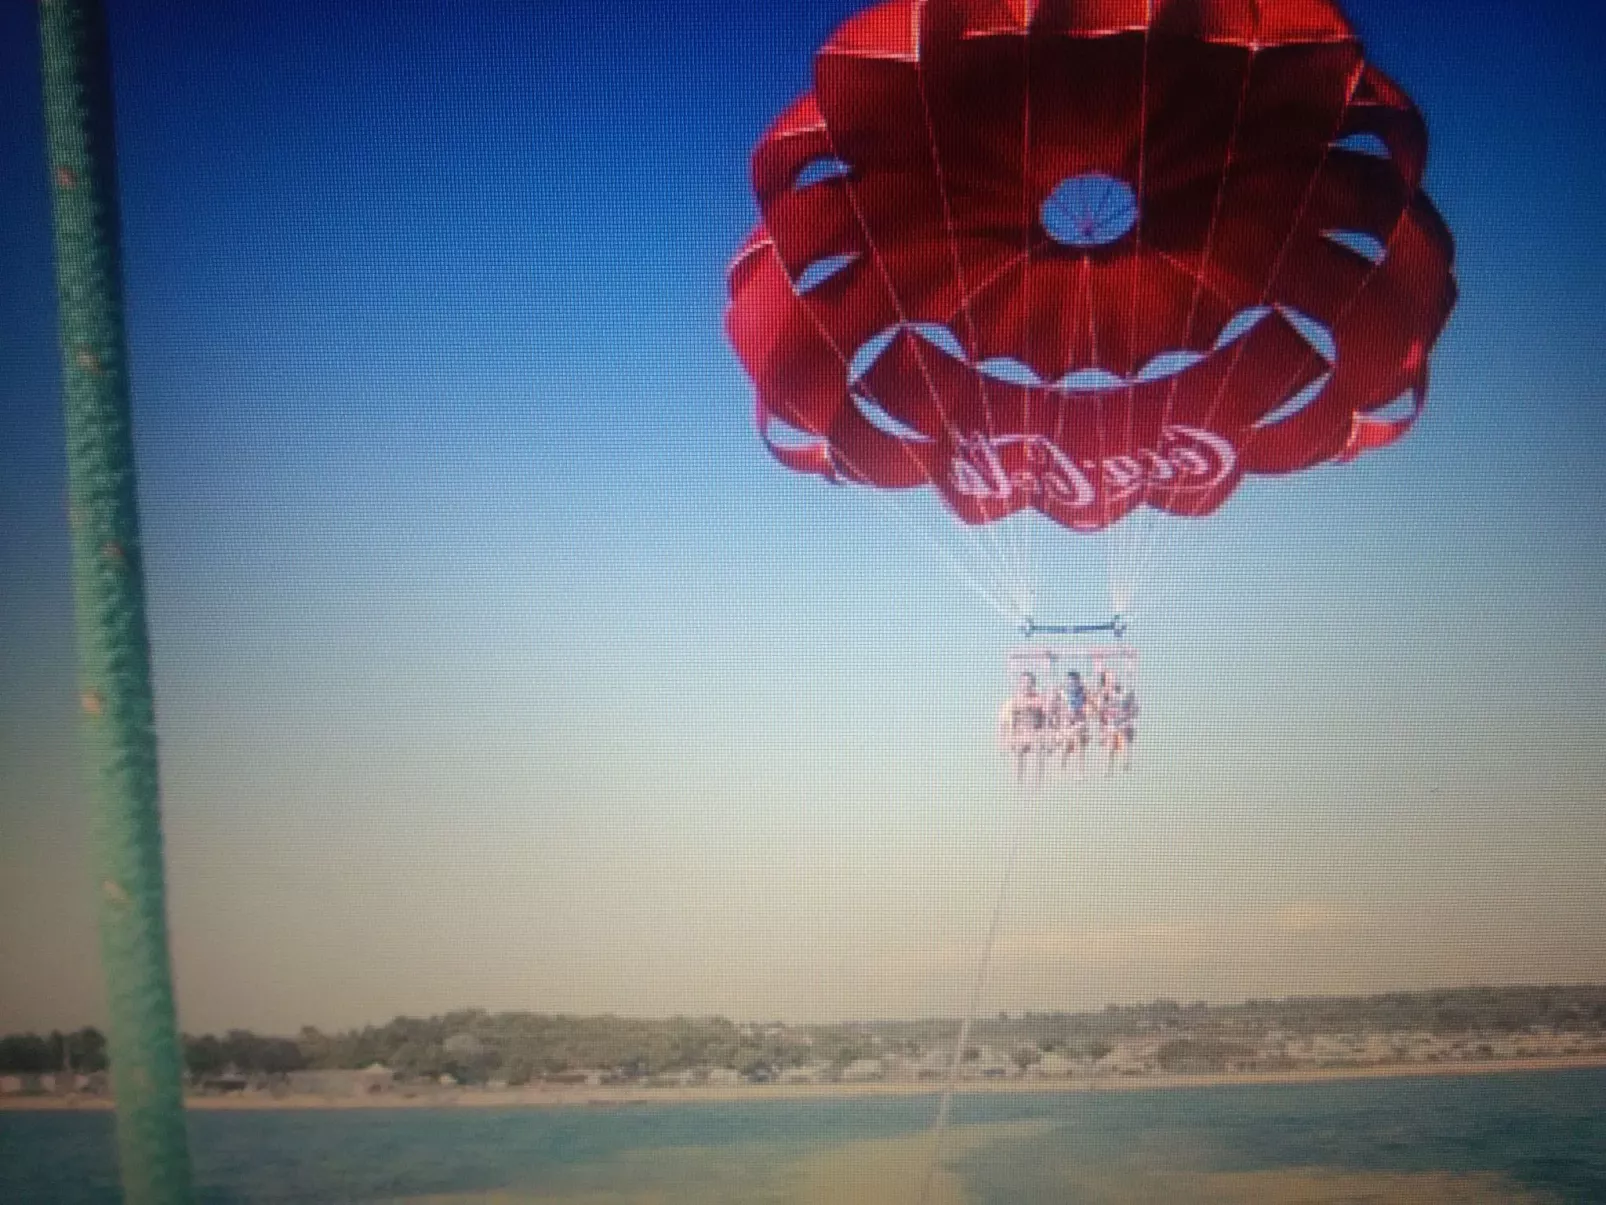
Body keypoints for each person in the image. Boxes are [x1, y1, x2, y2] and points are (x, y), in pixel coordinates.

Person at [998, 671, 1047, 778]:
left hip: (1036, 733)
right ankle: (1018, 783)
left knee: (1039, 750)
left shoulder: (1040, 699)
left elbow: (1046, 719)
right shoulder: (1013, 701)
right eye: (1024, 682)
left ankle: (1038, 785)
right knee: (1019, 750)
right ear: (1020, 684)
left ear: (1033, 684)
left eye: (1029, 682)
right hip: (1019, 734)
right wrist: (1002, 741)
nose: (1026, 685)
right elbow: (1002, 722)